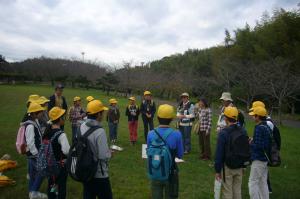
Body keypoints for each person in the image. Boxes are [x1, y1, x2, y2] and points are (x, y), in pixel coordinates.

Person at [147, 104, 183, 199]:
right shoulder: (177, 134)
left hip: (155, 170)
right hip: (170, 172)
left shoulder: (150, 134)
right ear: (171, 119)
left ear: (158, 117)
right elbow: (180, 155)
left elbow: (148, 151)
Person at [79, 99, 113, 199]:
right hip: (99, 173)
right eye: (102, 112)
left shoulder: (82, 126)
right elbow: (103, 155)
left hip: (85, 170)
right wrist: (110, 153)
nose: (103, 115)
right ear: (98, 115)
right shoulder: (100, 131)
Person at [214, 106, 247, 199]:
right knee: (237, 190)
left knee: (227, 191)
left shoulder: (223, 133)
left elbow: (219, 153)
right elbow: (246, 148)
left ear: (225, 118)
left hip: (227, 166)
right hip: (240, 165)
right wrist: (244, 166)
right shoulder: (243, 130)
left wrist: (217, 170)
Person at [44, 107, 70, 199]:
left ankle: (52, 196)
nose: (64, 119)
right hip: (60, 165)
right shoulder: (61, 134)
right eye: (63, 117)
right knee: (61, 185)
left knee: (53, 183)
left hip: (50, 163)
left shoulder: (47, 131)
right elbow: (66, 151)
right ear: (59, 119)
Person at [24, 102, 47, 199]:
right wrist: (37, 155)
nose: (42, 113)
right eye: (39, 112)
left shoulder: (34, 121)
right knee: (42, 172)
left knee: (33, 174)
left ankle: (31, 192)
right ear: (33, 114)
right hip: (34, 155)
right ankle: (34, 192)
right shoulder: (30, 126)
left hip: (33, 155)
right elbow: (30, 143)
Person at [248, 106, 271, 199]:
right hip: (265, 159)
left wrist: (250, 143)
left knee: (252, 182)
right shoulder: (266, 126)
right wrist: (254, 140)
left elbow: (258, 146)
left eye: (254, 115)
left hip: (258, 159)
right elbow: (265, 142)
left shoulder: (258, 128)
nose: (252, 117)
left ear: (258, 117)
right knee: (263, 182)